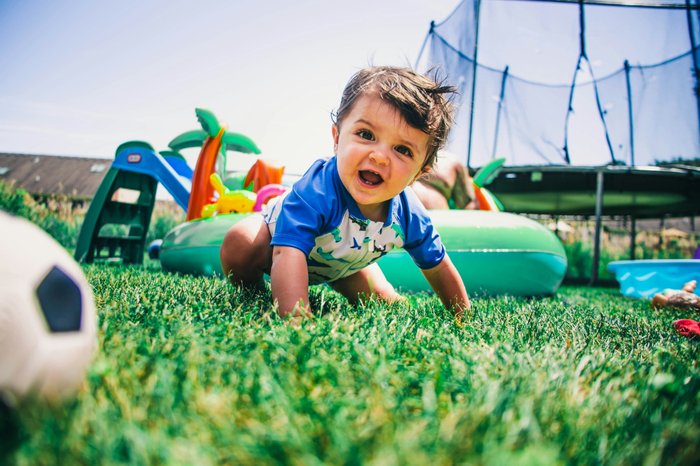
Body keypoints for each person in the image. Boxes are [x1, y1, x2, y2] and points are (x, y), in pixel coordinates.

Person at [220, 66, 470, 321]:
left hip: (343, 264)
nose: (380, 156)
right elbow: (287, 253)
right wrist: (297, 321)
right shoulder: (318, 190)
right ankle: (253, 292)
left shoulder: (408, 212)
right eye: (366, 135)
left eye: (403, 150)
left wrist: (463, 317)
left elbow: (439, 266)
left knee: (384, 304)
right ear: (337, 138)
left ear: (418, 173)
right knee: (240, 242)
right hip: (277, 244)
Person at [411, 154, 478, 210]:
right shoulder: (406, 152)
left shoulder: (452, 161)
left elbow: (470, 204)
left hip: (439, 221)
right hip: (404, 218)